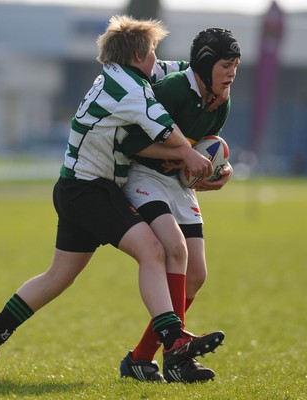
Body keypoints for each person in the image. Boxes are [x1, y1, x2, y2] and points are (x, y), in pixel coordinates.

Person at [0, 15, 226, 380]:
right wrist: (191, 155)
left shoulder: (127, 74)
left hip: (79, 187)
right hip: (89, 190)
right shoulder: (128, 90)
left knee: (57, 276)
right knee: (151, 249)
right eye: (153, 51)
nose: (158, 58)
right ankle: (173, 339)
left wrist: (209, 73)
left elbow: (181, 70)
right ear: (138, 53)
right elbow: (164, 127)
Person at [119, 28, 241, 383]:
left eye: (235, 65)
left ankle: (140, 359)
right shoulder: (171, 90)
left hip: (177, 186)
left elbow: (207, 148)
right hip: (144, 178)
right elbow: (130, 144)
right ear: (204, 65)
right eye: (225, 65)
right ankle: (178, 356)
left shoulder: (223, 100)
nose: (232, 72)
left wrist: (223, 170)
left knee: (197, 275)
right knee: (174, 246)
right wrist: (180, 154)